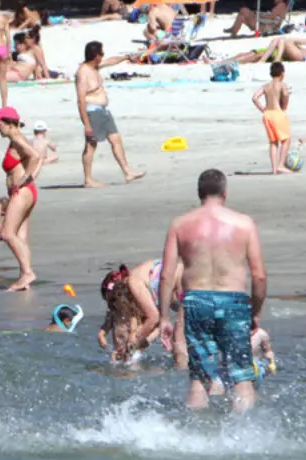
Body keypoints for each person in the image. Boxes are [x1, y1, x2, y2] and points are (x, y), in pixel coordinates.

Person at [157, 169, 267, 412]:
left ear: (199, 193)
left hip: (197, 301)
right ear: (225, 193)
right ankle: (243, 436)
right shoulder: (244, 223)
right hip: (234, 302)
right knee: (241, 378)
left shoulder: (180, 224)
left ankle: (196, 437)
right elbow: (258, 276)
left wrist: (164, 317)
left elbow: (166, 274)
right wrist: (256, 312)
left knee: (199, 378)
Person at [76, 42, 146, 187]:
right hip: (92, 112)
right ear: (96, 56)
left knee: (116, 139)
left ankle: (128, 172)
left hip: (103, 111)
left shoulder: (95, 66)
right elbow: (80, 100)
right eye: (101, 54)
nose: (103, 56)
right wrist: (87, 124)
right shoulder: (83, 72)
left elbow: (111, 61)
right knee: (91, 145)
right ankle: (88, 179)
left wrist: (127, 57)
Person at [0, 107, 42, 291]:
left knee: (7, 233)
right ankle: (24, 276)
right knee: (21, 236)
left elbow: (35, 156)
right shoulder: (16, 140)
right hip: (26, 191)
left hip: (22, 192)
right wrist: (30, 177)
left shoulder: (18, 139)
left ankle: (27, 273)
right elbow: (38, 158)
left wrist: (25, 178)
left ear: (10, 123)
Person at [100, 259, 187, 367]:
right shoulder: (143, 279)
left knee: (179, 346)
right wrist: (140, 343)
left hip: (187, 284)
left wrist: (132, 343)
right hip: (194, 276)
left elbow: (153, 318)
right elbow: (156, 324)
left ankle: (186, 379)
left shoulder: (133, 281)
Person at [252, 62, 292, 175]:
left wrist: (263, 109)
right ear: (282, 73)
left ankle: (274, 169)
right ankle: (281, 165)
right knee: (286, 140)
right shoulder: (282, 84)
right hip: (278, 113)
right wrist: (284, 107)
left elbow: (254, 98)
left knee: (273, 142)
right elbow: (285, 95)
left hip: (267, 114)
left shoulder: (266, 86)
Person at [225, 0, 292, 37]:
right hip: (265, 24)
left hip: (267, 27)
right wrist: (259, 14)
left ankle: (233, 29)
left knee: (244, 10)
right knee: (242, 16)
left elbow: (270, 17)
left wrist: (259, 15)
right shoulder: (281, 6)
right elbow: (271, 16)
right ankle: (234, 30)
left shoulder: (281, 6)